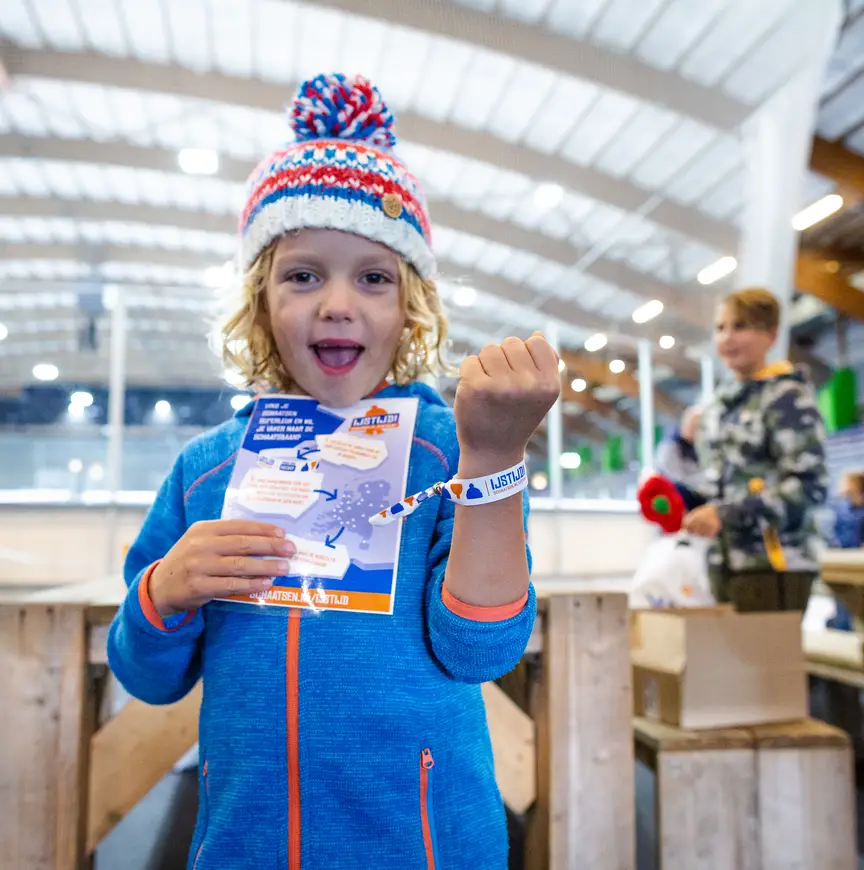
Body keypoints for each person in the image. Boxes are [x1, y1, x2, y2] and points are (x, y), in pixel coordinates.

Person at [106, 73, 559, 870]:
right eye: (303, 274)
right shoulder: (204, 472)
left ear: (411, 308)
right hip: (245, 844)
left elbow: (481, 651)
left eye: (374, 277)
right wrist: (164, 591)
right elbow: (147, 675)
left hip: (427, 847)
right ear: (261, 303)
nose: (338, 303)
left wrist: (494, 458)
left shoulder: (451, 453)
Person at [680, 287, 828, 612]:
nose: (727, 338)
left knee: (769, 649)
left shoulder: (787, 397)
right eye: (720, 328)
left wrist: (726, 514)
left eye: (741, 326)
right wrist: (679, 498)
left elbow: (809, 487)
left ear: (770, 335)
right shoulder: (719, 406)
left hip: (773, 565)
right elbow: (714, 483)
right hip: (721, 563)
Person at [826, 471, 864, 630]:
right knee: (843, 597)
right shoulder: (842, 509)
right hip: (842, 559)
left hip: (859, 561)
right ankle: (842, 626)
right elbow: (835, 532)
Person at [654, 404, 703, 491]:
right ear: (684, 423)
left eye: (698, 426)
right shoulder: (670, 446)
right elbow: (677, 480)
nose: (695, 430)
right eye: (693, 425)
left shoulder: (694, 446)